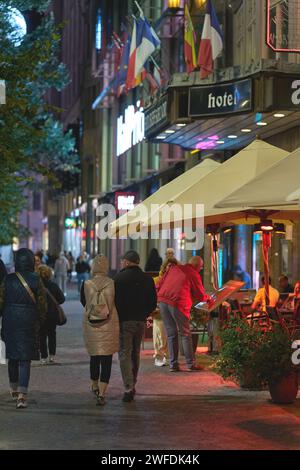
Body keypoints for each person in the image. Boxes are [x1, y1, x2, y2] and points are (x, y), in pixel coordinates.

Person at [0, 249, 47, 409]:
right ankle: (22, 395)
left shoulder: (8, 279)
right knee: (25, 358)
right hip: (28, 321)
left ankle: (13, 389)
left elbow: (0, 302)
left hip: (10, 321)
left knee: (12, 355)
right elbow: (42, 304)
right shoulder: (36, 279)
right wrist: (40, 321)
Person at [114, 250, 157, 403]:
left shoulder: (118, 278)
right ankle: (133, 381)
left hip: (124, 320)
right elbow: (153, 302)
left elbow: (113, 301)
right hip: (140, 320)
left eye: (122, 261)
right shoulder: (147, 279)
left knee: (124, 352)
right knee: (135, 352)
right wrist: (144, 313)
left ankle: (128, 387)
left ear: (126, 262)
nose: (121, 263)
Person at [157, 256, 209, 372]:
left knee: (171, 334)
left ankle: (173, 365)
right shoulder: (193, 273)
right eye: (201, 267)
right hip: (177, 303)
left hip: (162, 301)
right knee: (185, 333)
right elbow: (200, 295)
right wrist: (208, 299)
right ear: (196, 266)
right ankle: (191, 364)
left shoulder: (174, 268)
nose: (201, 269)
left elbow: (159, 284)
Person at [81, 255, 119, 406]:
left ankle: (94, 384)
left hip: (91, 323)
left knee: (94, 356)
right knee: (107, 358)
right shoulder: (112, 282)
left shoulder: (86, 283)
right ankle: (102, 393)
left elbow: (83, 301)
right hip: (109, 322)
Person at [152, 257, 178, 367]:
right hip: (159, 309)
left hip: (172, 309)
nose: (171, 268)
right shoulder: (157, 279)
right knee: (160, 333)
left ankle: (168, 356)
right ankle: (159, 356)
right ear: (165, 267)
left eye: (173, 266)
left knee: (170, 334)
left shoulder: (177, 280)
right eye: (169, 266)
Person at [38, 265, 65, 365]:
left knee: (42, 336)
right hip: (52, 315)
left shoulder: (37, 286)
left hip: (41, 315)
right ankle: (52, 356)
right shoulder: (54, 286)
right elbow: (62, 299)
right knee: (52, 334)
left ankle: (43, 357)